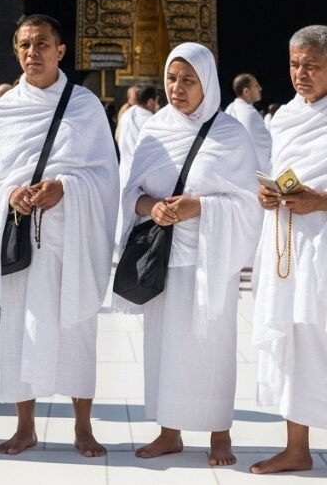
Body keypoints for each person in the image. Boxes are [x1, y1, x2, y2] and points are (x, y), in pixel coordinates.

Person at [0, 14, 119, 457]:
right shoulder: (3, 111)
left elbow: (105, 177)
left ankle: (82, 426)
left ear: (61, 51)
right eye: (24, 45)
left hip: (69, 240)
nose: (32, 53)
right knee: (19, 332)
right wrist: (11, 194)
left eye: (41, 44)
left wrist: (67, 188)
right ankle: (25, 426)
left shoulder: (84, 105)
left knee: (76, 330)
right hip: (21, 240)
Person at [115, 42, 262, 466]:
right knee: (164, 346)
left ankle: (220, 434)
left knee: (212, 345)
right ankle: (169, 432)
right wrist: (151, 207)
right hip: (162, 256)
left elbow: (248, 202)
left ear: (208, 84)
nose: (177, 88)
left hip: (209, 258)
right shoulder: (155, 129)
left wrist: (200, 206)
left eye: (188, 80)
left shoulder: (230, 134)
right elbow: (131, 192)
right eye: (172, 79)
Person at [251, 25, 327, 475]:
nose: (301, 74)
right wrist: (267, 195)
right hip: (290, 245)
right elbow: (279, 170)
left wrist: (321, 200)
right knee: (295, 342)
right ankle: (296, 447)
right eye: (295, 65)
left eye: (312, 66)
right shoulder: (284, 117)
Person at [115, 84, 158, 247]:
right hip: (143, 176)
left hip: (124, 171)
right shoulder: (151, 120)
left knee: (122, 218)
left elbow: (117, 137)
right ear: (151, 102)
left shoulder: (125, 115)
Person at [224, 73, 272, 171]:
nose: (260, 89)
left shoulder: (230, 108)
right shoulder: (249, 113)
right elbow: (263, 148)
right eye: (256, 86)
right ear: (246, 91)